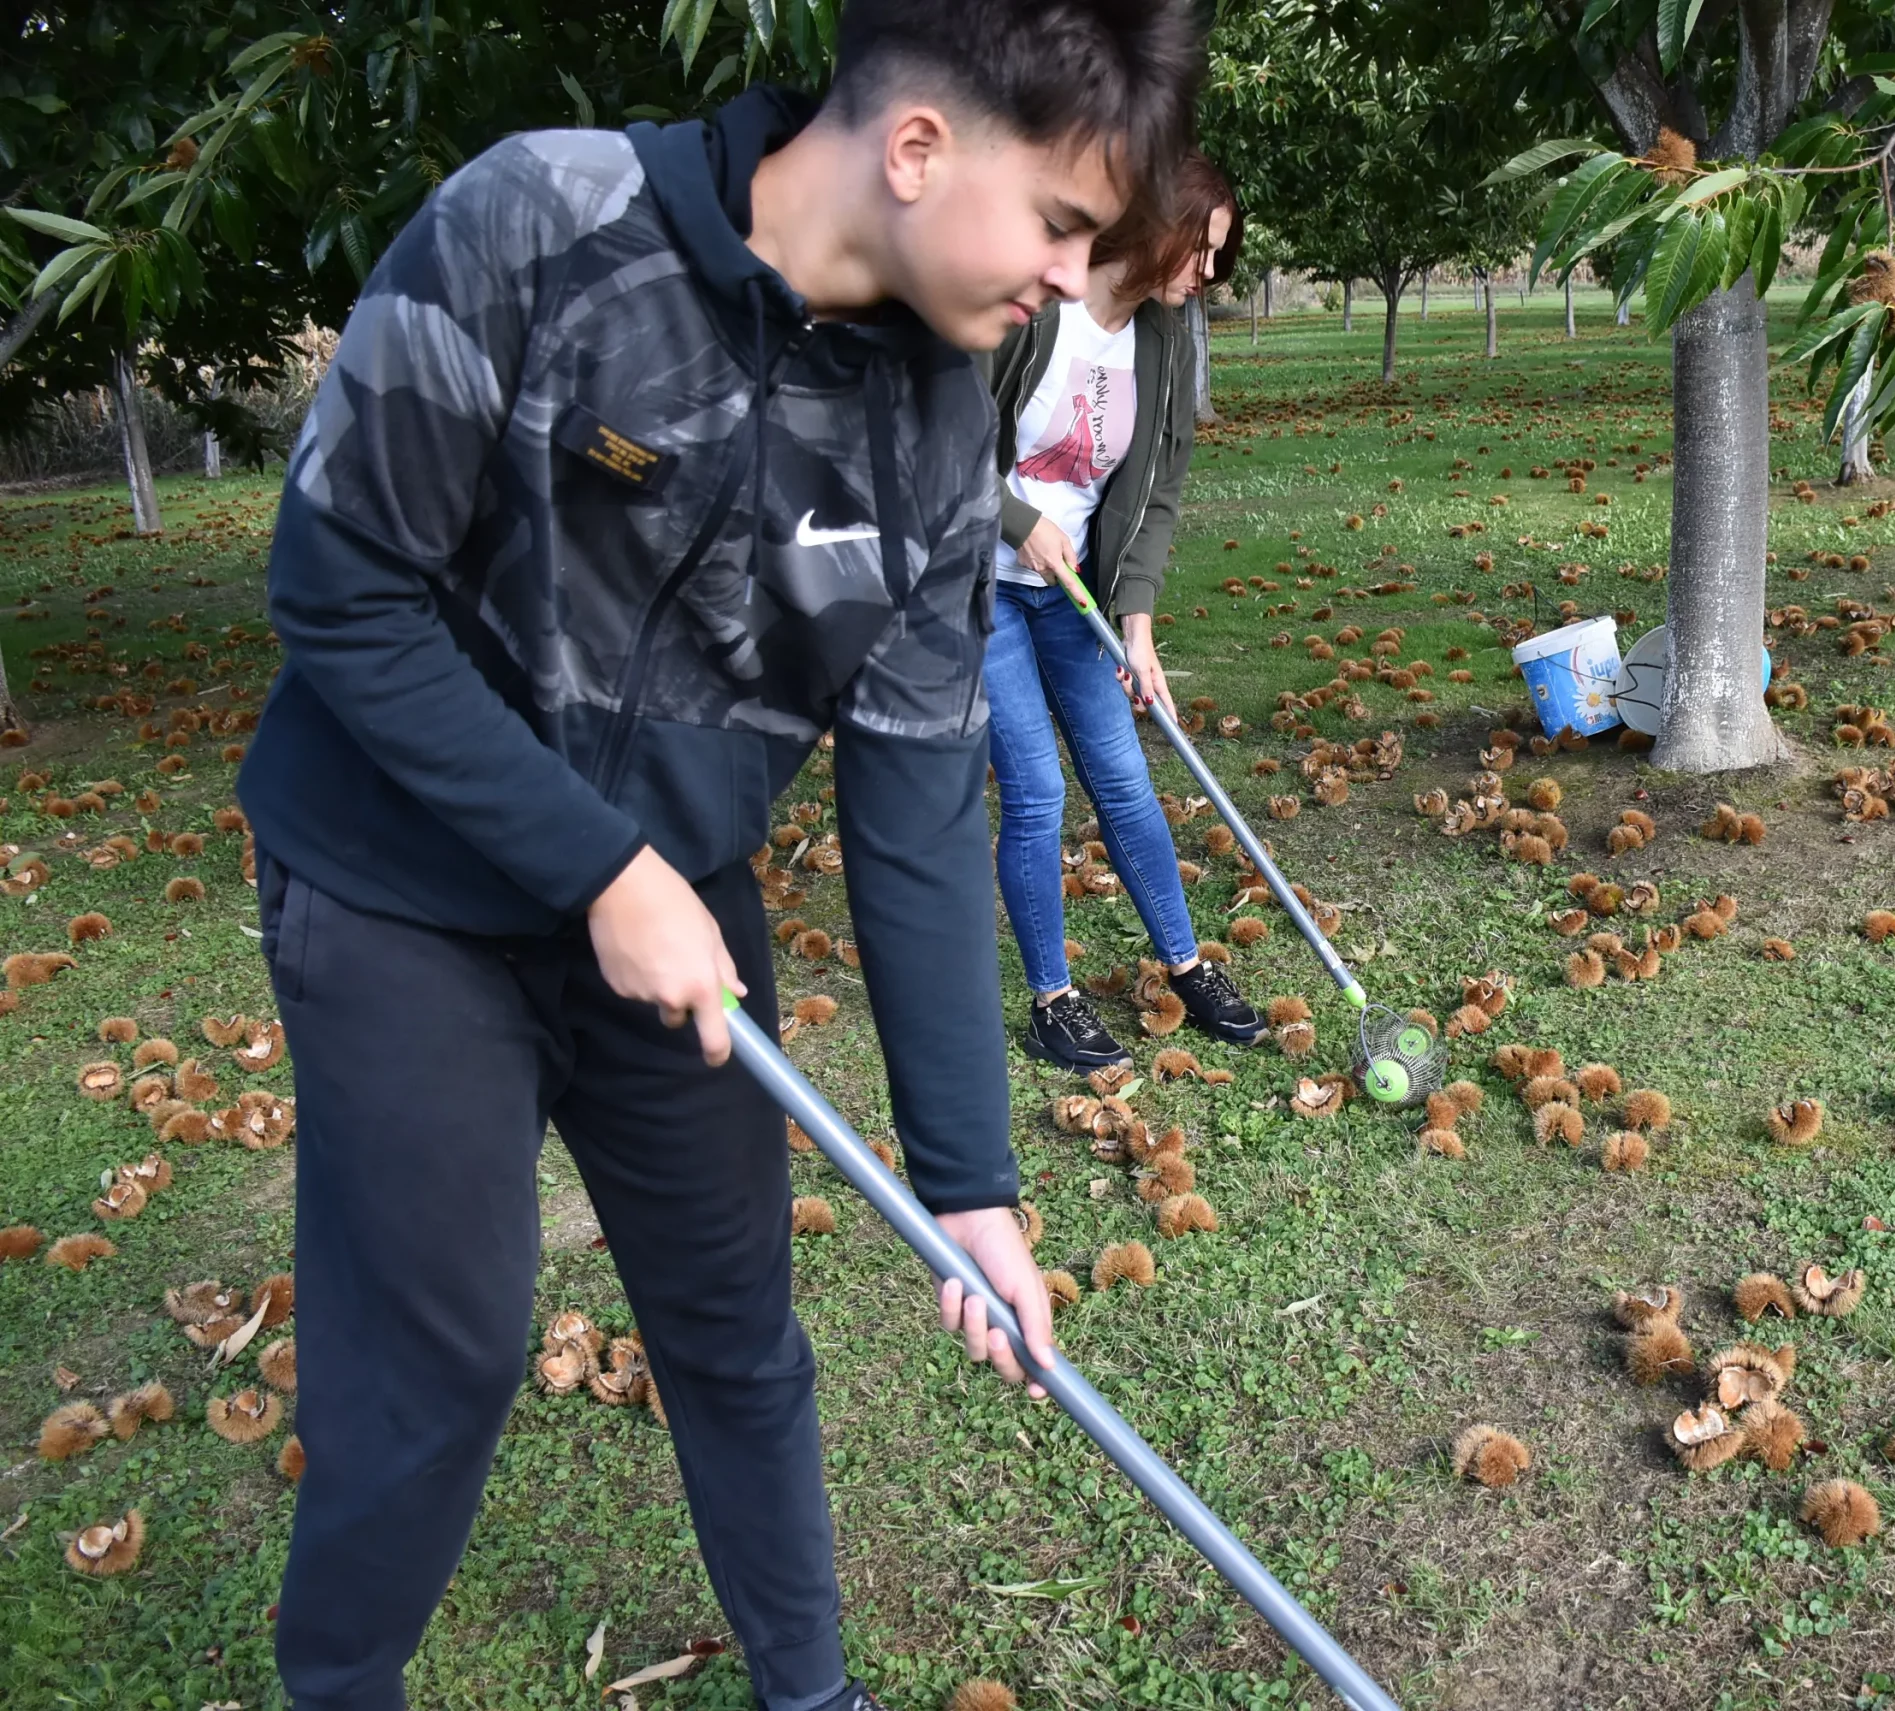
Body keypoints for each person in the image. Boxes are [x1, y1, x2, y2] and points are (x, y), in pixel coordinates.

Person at [232, 3, 1198, 1706]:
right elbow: (340, 594)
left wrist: (972, 1188)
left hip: (676, 916)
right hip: (401, 884)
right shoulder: (538, 222)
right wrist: (596, 868)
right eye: (1058, 221)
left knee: (739, 1335)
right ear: (915, 148)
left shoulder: (933, 433)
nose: (1071, 276)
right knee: (437, 1351)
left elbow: (916, 818)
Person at [979, 154, 1256, 1071]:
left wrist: (1136, 628)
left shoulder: (1166, 336)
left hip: (1074, 595)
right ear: (1152, 226)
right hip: (974, 585)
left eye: (1217, 257)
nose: (1207, 273)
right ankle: (1053, 999)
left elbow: (1158, 492)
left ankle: (1186, 965)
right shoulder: (1033, 306)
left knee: (1127, 778)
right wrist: (1017, 521)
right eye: (1200, 249)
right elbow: (933, 444)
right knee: (1038, 790)